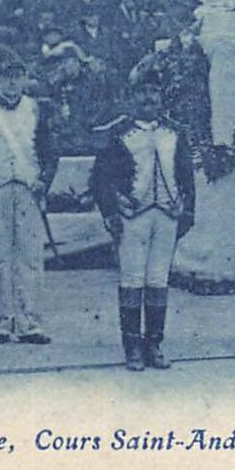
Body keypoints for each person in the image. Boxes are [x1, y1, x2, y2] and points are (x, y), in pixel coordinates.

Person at [90, 72, 196, 371]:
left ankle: (155, 343)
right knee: (132, 279)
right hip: (131, 216)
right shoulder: (119, 133)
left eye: (154, 91)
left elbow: (186, 174)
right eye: (142, 92)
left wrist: (188, 211)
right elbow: (99, 179)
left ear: (161, 96)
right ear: (132, 96)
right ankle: (132, 346)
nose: (148, 98)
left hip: (167, 214)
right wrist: (112, 211)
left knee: (159, 279)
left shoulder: (175, 132)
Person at [0, 49, 55, 345]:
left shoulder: (34, 109)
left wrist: (44, 180)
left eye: (16, 76)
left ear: (23, 79)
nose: (11, 82)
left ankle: (29, 322)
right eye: (6, 77)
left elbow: (48, 151)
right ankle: (1, 323)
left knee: (30, 257)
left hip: (28, 188)